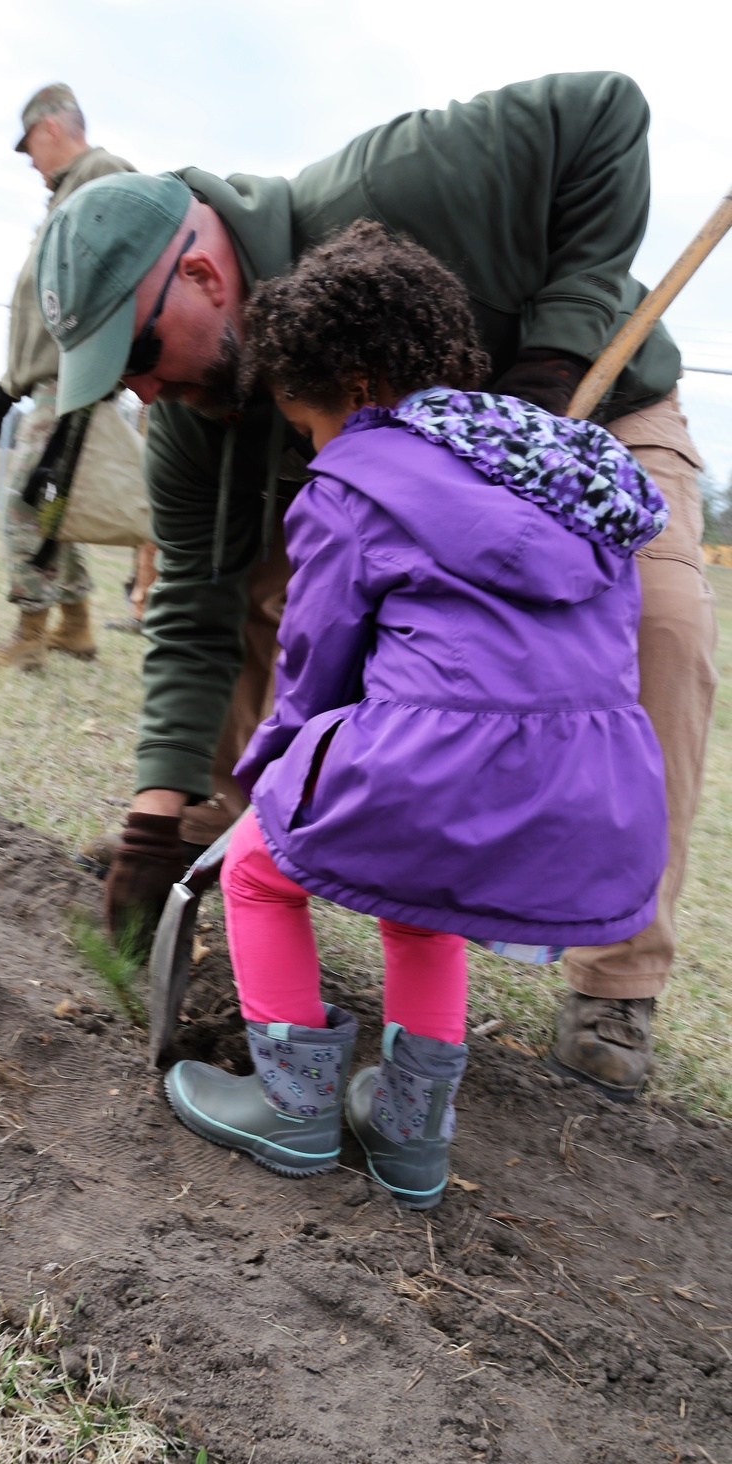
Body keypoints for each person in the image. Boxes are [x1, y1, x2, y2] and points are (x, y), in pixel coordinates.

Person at [36, 72, 717, 1099]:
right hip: (367, 473)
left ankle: (614, 980)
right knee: (279, 598)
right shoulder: (192, 413)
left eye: (135, 352)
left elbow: (605, 112)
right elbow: (194, 611)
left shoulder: (406, 178)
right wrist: (151, 809)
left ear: (204, 279)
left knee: (657, 625)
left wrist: (549, 361)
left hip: (581, 422)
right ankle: (215, 830)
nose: (140, 390)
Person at [164, 223, 668, 1206]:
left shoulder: (356, 480)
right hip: (596, 788)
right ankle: (408, 1134)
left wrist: (263, 785)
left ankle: (295, 1108)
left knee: (263, 874)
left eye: (305, 425)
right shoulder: (570, 475)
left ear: (353, 390)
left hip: (439, 756)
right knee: (418, 900)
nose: (314, 447)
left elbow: (311, 673)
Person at [0, 83, 134, 674]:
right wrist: (9, 385)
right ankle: (77, 627)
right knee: (54, 508)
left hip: (75, 386)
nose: (31, 162)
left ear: (49, 130)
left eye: (30, 147)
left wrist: (101, 374)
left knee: (26, 507)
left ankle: (29, 637)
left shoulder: (102, 171)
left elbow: (129, 271)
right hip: (52, 383)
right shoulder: (66, 193)